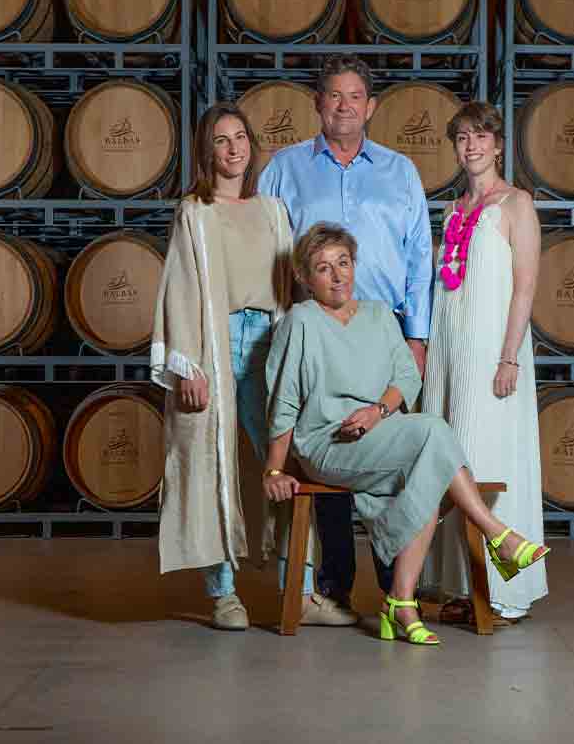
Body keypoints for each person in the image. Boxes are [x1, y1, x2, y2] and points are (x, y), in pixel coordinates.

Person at [261, 223, 550, 645]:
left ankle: (400, 600)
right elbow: (283, 400)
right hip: (328, 443)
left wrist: (377, 412)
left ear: (355, 265)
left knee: (428, 470)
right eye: (324, 268)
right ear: (305, 278)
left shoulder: (379, 314)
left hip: (379, 433)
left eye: (343, 263)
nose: (337, 275)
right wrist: (273, 470)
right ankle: (495, 534)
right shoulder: (300, 322)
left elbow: (405, 377)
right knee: (433, 433)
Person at [150, 102, 353, 631]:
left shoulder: (271, 210)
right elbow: (178, 289)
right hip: (214, 346)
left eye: (240, 137)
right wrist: (186, 366)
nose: (234, 148)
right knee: (212, 468)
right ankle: (223, 594)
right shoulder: (193, 212)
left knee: (288, 466)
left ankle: (301, 592)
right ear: (207, 150)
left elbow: (293, 286)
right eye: (221, 140)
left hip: (270, 343)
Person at [258, 54, 433, 608]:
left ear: (371, 107)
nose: (344, 106)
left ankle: (392, 585)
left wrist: (417, 336)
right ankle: (334, 585)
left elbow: (420, 257)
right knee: (333, 449)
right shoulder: (284, 168)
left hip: (383, 331)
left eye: (355, 96)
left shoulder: (400, 171)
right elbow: (269, 253)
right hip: (317, 332)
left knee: (388, 459)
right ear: (317, 103)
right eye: (333, 95)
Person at [420, 102, 547, 627]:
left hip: (494, 353)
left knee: (488, 459)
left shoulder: (517, 205)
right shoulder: (452, 210)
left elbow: (525, 287)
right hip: (450, 350)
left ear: (498, 145)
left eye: (481, 136)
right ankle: (457, 585)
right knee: (445, 461)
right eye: (462, 138)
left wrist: (509, 356)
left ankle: (503, 589)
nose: (471, 145)